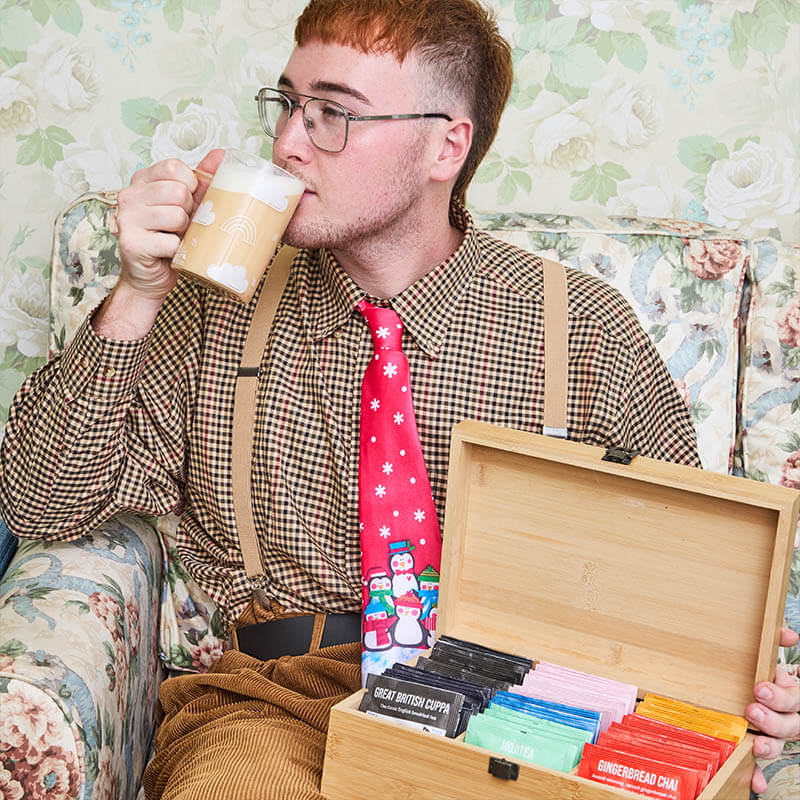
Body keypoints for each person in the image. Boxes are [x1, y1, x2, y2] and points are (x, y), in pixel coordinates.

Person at [0, 0, 797, 797]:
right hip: (276, 703)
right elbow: (39, 506)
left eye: (333, 115)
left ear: (446, 144)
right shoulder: (217, 299)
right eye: (288, 105)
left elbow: (694, 578)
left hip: (519, 718)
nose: (285, 145)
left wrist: (752, 695)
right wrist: (136, 296)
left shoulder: (581, 330)